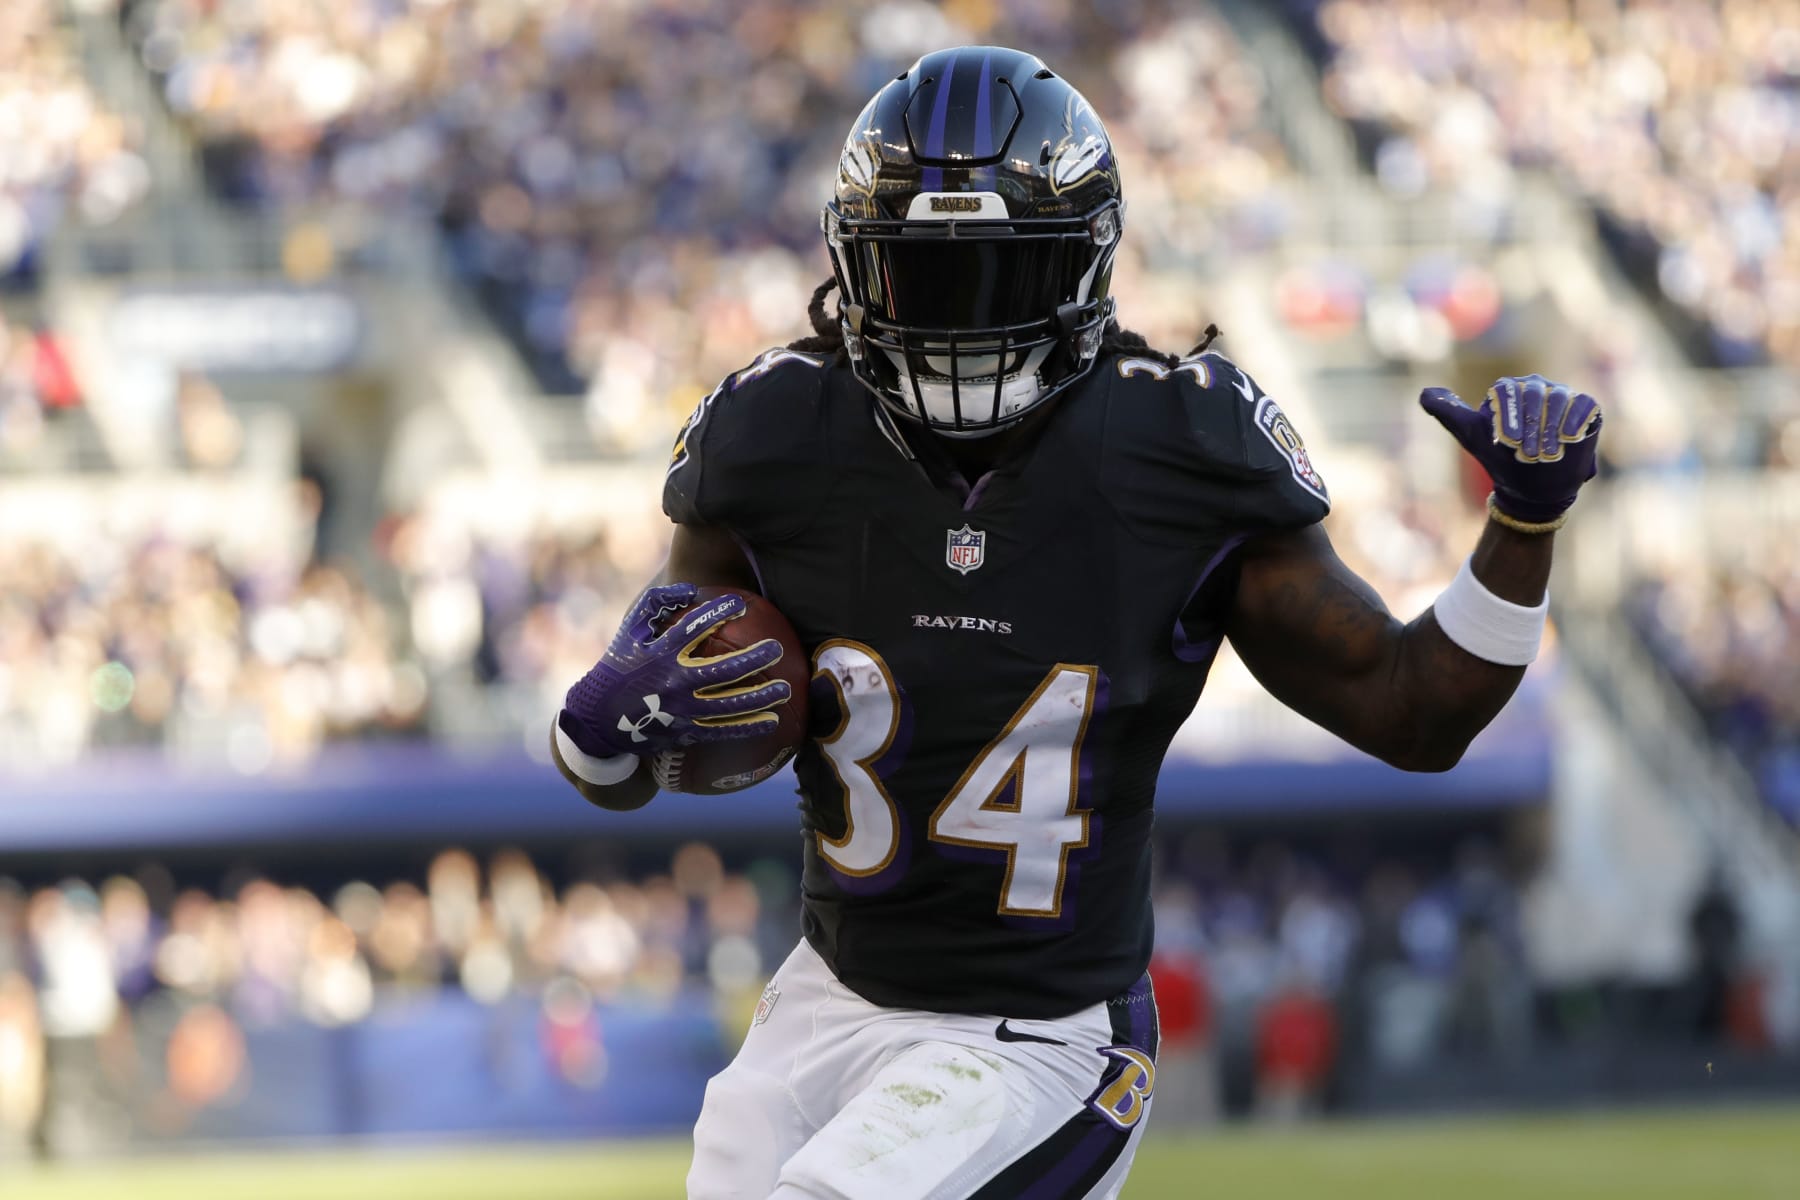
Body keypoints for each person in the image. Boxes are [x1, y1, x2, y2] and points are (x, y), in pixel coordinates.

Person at [548, 46, 1602, 1200]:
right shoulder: (774, 435)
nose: (959, 326)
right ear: (854, 267)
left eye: (1001, 278)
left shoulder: (1179, 445)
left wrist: (1520, 525)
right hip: (825, 1000)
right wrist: (597, 729)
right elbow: (627, 751)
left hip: (1041, 1040)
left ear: (1087, 265)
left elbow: (1413, 712)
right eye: (922, 278)